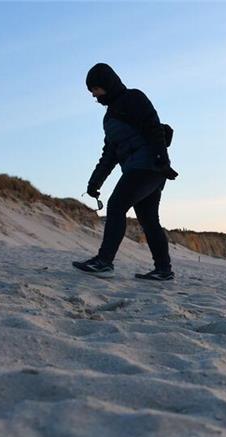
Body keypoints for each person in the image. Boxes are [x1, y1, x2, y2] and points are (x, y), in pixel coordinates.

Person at [72, 63, 177, 281]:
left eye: (95, 88)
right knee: (149, 219)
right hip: (138, 168)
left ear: (107, 84)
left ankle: (104, 261)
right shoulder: (109, 117)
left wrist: (161, 158)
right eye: (91, 91)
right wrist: (95, 182)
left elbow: (154, 127)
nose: (93, 94)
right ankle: (164, 270)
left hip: (150, 166)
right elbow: (109, 154)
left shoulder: (133, 98)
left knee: (117, 205)